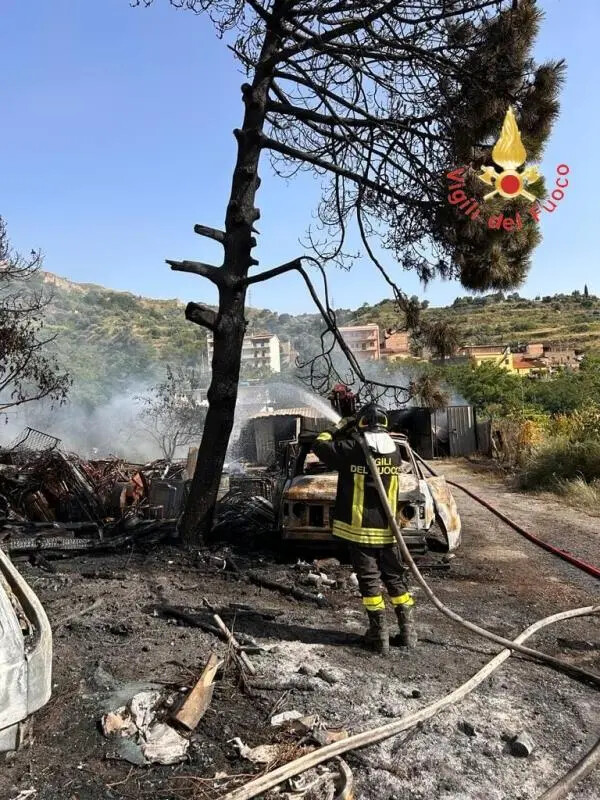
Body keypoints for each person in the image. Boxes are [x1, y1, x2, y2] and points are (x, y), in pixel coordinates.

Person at [312, 403, 417, 656]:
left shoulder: (353, 449)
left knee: (370, 581)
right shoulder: (393, 452)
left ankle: (379, 635)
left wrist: (339, 427)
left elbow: (319, 445)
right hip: (389, 530)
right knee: (395, 578)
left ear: (360, 425)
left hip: (359, 530)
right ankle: (408, 633)